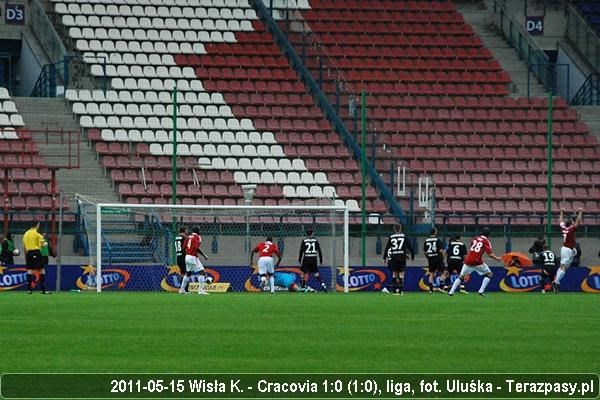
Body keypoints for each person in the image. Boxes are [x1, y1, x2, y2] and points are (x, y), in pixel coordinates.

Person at [447, 227, 502, 297]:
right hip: (477, 261)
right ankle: (481, 291)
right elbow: (490, 254)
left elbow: (472, 247)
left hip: (468, 260)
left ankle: (451, 292)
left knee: (461, 277)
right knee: (489, 274)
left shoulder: (475, 238)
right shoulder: (486, 241)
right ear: (488, 235)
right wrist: (497, 258)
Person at [553, 208, 583, 293]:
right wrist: (580, 212)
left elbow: (561, 220)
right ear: (570, 224)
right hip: (567, 250)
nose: (574, 224)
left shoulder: (564, 228)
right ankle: (556, 282)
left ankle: (557, 282)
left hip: (565, 249)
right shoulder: (571, 230)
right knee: (563, 266)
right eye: (572, 223)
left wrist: (561, 212)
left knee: (564, 267)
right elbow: (578, 222)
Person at [382, 223, 414, 295]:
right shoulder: (404, 236)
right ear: (400, 228)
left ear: (394, 229)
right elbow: (410, 246)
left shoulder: (392, 236)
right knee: (401, 273)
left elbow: (387, 247)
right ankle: (399, 291)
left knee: (394, 273)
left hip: (394, 256)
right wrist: (412, 255)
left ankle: (394, 291)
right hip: (402, 256)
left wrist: (384, 257)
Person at [179, 226, 209, 295]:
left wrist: (188, 253)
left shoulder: (188, 237)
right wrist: (204, 255)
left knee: (188, 273)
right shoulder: (197, 237)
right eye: (199, 230)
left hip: (187, 257)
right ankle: (201, 291)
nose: (200, 231)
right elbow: (196, 248)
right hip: (193, 257)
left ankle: (182, 290)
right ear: (197, 231)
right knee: (202, 272)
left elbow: (183, 247)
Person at [23, 221, 50, 294]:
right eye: (39, 225)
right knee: (42, 270)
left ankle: (29, 290)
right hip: (36, 252)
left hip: (28, 253)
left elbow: (24, 245)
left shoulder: (26, 234)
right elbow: (42, 245)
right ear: (37, 225)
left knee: (29, 270)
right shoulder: (38, 235)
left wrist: (26, 254)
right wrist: (45, 243)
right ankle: (43, 289)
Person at [423, 226, 446, 293]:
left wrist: (428, 257)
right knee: (443, 272)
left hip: (431, 259)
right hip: (438, 258)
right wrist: (443, 256)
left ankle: (430, 290)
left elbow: (424, 251)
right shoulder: (437, 240)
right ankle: (441, 288)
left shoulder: (426, 240)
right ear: (435, 232)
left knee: (431, 274)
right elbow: (440, 250)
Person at [174, 226, 189, 292]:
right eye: (187, 230)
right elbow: (186, 247)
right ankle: (185, 289)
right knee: (186, 273)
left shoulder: (176, 237)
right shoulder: (184, 238)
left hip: (178, 257)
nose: (187, 231)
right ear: (185, 230)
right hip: (183, 257)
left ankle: (183, 289)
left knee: (182, 273)